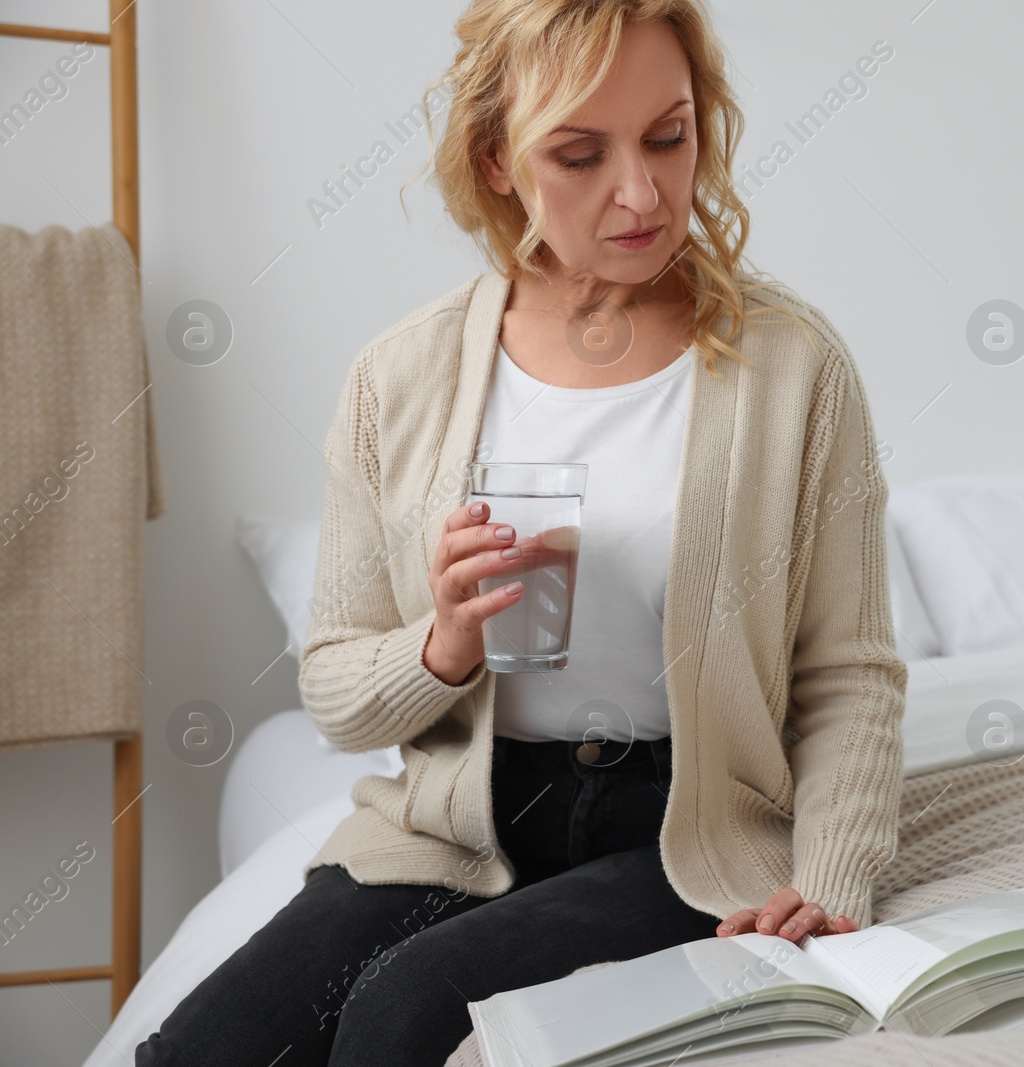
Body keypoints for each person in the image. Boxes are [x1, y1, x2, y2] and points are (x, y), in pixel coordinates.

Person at [135, 2, 906, 1065]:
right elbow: (334, 687)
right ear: (498, 160)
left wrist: (831, 874)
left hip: (679, 827)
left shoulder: (796, 372)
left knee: (403, 1012)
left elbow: (849, 673)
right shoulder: (396, 382)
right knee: (199, 1053)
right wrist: (441, 644)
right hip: (459, 819)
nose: (640, 192)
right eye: (580, 154)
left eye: (668, 136)